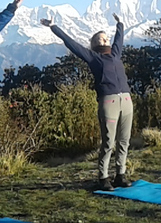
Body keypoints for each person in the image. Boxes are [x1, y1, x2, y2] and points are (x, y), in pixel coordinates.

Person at [41, 13, 133, 191]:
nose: (104, 39)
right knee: (108, 141)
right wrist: (53, 27)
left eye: (105, 37)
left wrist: (120, 23)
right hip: (109, 101)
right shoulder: (92, 57)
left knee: (124, 140)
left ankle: (120, 175)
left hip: (126, 100)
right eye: (100, 38)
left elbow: (119, 39)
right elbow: (72, 44)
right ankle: (103, 177)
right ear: (94, 43)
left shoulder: (115, 53)